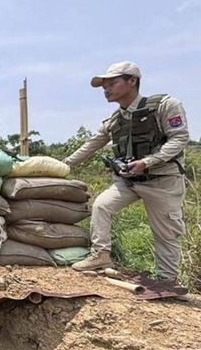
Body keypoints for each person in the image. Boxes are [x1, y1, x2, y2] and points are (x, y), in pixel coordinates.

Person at [64, 61, 189, 281]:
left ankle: (167, 282)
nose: (106, 89)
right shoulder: (115, 120)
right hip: (130, 181)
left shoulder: (164, 105)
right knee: (101, 206)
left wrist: (148, 162)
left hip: (163, 180)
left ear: (132, 81)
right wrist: (64, 165)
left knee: (166, 233)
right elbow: (92, 144)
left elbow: (179, 137)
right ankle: (101, 254)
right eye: (104, 85)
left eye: (112, 82)